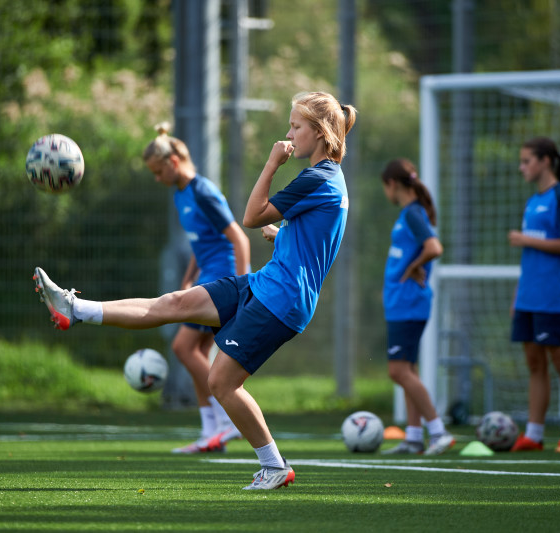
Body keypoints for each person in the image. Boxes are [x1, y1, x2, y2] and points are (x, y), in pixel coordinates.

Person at [34, 91, 356, 489]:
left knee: (221, 381)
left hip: (281, 299)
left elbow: (250, 217)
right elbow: (313, 236)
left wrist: (272, 163)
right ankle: (75, 307)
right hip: (266, 285)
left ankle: (274, 466)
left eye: (295, 126)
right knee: (175, 302)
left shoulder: (316, 176)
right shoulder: (327, 179)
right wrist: (283, 235)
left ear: (320, 131)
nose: (289, 133)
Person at [142, 122, 250, 454]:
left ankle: (229, 421)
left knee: (183, 348)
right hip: (206, 275)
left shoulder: (203, 191)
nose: (157, 179)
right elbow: (199, 244)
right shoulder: (181, 194)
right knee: (197, 352)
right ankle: (211, 433)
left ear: (173, 163)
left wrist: (243, 289)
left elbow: (239, 238)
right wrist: (189, 276)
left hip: (223, 278)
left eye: (158, 172)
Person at [508, 137, 560, 453]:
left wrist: (526, 240)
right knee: (534, 364)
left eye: (527, 161)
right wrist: (517, 297)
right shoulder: (532, 202)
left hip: (552, 295)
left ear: (545, 162)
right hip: (528, 296)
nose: (522, 167)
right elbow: (530, 261)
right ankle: (534, 435)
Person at [376, 159, 455, 456]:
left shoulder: (412, 214)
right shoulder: (409, 214)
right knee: (408, 369)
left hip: (409, 303)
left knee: (398, 371)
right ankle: (412, 437)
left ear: (392, 184)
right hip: (401, 303)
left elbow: (434, 247)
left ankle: (437, 431)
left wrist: (413, 267)